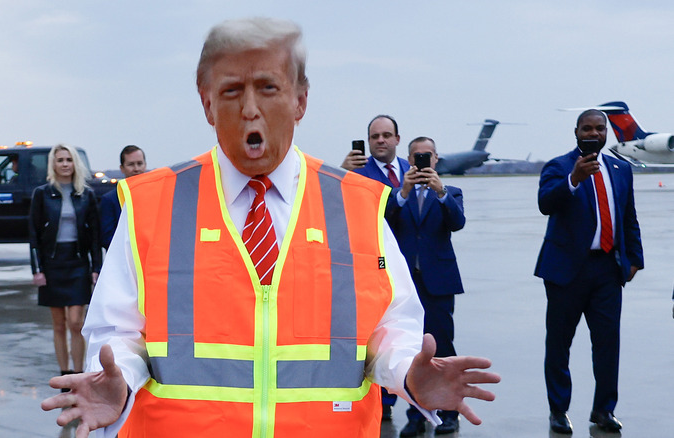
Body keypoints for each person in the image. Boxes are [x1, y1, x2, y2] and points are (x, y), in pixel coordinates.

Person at [41, 17, 500, 438]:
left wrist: (407, 373)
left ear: (300, 100)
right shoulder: (150, 205)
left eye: (267, 88)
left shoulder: (356, 204)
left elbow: (389, 326)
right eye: (231, 91)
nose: (250, 109)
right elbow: (117, 332)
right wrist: (116, 378)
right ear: (206, 103)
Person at [535, 109, 643, 434]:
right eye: (587, 128)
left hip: (608, 269)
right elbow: (545, 204)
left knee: (608, 344)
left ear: (606, 133)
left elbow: (629, 217)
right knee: (559, 345)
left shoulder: (621, 169)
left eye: (599, 128)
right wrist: (574, 179)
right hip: (566, 271)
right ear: (576, 132)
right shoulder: (558, 166)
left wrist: (635, 258)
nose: (593, 134)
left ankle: (603, 411)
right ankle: (558, 411)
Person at [385, 137, 465, 436]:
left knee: (443, 348)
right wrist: (404, 191)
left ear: (436, 159)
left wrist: (440, 191)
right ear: (408, 160)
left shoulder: (451, 192)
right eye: (417, 157)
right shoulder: (397, 195)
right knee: (409, 350)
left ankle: (449, 411)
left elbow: (457, 223)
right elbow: (384, 220)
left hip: (438, 283)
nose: (423, 161)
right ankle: (417, 413)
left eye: (427, 156)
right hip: (405, 283)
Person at [29, 144, 102, 384]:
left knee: (76, 322)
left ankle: (78, 374)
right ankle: (64, 374)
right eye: (60, 160)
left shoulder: (86, 194)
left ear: (75, 164)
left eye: (68, 160)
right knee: (58, 324)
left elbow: (95, 236)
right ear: (53, 164)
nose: (64, 164)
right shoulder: (42, 193)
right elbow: (34, 234)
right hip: (52, 263)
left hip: (78, 262)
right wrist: (37, 269)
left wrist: (95, 268)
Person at [342, 115, 410, 191]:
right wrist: (340, 173)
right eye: (375, 136)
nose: (380, 140)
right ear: (369, 140)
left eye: (386, 136)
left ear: (397, 139)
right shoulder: (355, 172)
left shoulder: (410, 168)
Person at [100, 145, 147, 249]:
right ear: (122, 168)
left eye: (140, 163)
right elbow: (107, 238)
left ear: (145, 165)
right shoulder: (110, 200)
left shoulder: (154, 196)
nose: (136, 169)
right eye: (131, 164)